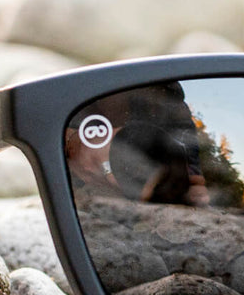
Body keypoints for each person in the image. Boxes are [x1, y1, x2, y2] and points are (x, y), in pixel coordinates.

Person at [65, 82, 211, 206]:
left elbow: (188, 153)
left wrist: (193, 180)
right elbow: (53, 119)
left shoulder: (175, 107)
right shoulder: (82, 92)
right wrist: (78, 142)